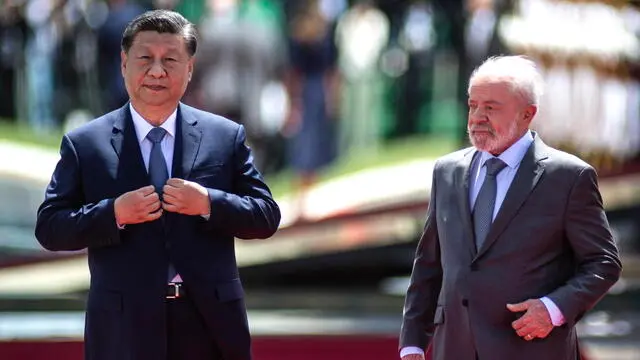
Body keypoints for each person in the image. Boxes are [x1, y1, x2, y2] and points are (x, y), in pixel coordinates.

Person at [35, 10, 280, 360]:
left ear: (190, 69)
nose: (156, 71)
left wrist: (209, 203)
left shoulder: (224, 136)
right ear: (124, 64)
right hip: (124, 327)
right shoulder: (86, 144)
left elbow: (266, 215)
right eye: (145, 58)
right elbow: (50, 227)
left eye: (170, 60)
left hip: (208, 323)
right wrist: (113, 213)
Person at [399, 55, 622, 360]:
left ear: (527, 114)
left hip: (530, 348)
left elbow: (604, 263)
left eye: (490, 108)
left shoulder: (569, 177)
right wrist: (411, 343)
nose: (477, 116)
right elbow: (428, 265)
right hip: (454, 348)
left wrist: (553, 308)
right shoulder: (447, 171)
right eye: (473, 105)